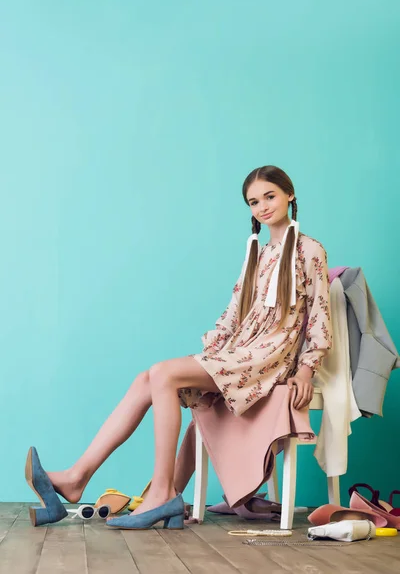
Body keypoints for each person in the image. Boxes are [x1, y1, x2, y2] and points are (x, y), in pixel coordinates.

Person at [25, 165, 332, 530]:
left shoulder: (309, 250)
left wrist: (305, 369)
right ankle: (77, 477)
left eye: (270, 196)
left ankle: (162, 493)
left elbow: (319, 317)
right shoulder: (257, 252)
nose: (263, 206)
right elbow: (234, 314)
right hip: (239, 352)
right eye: (254, 202)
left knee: (164, 374)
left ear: (289, 195)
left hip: (270, 358)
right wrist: (211, 352)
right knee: (147, 378)